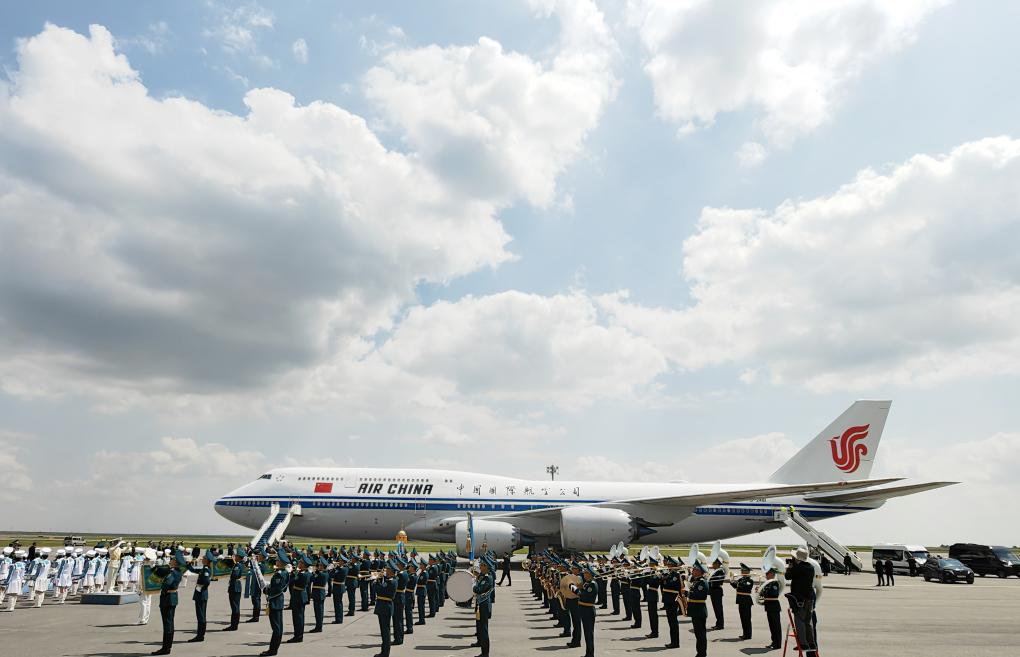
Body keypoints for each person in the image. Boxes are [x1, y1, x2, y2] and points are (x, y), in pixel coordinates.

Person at [150, 550, 185, 655]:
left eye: (173, 559)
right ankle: (167, 647)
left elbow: (167, 584)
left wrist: (159, 583)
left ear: (176, 562)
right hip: (172, 598)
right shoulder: (178, 571)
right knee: (170, 623)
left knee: (167, 624)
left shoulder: (172, 572)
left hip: (167, 599)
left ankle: (166, 648)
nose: (171, 560)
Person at [786, 547, 818, 657]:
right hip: (809, 599)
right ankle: (811, 643)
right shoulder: (811, 567)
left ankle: (803, 644)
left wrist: (790, 567)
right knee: (808, 622)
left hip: (800, 599)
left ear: (797, 558)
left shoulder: (797, 568)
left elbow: (787, 576)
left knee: (799, 621)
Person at [262, 550, 290, 657]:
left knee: (276, 628)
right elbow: (283, 588)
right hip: (278, 600)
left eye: (277, 560)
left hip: (275, 601)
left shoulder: (280, 574)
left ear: (281, 562)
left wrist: (266, 590)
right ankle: (273, 649)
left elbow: (277, 589)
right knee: (278, 627)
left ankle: (273, 650)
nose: (276, 561)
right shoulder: (284, 573)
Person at [185, 550, 213, 643]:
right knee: (201, 615)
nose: (202, 559)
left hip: (201, 595)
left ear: (207, 560)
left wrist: (201, 588)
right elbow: (193, 570)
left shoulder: (206, 570)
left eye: (204, 558)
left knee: (201, 615)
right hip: (201, 595)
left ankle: (200, 636)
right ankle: (200, 635)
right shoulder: (204, 568)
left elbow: (207, 582)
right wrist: (188, 564)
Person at [287, 552, 312, 643]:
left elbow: (292, 581)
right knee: (300, 617)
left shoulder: (302, 574)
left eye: (300, 562)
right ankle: (299, 635)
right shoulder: (305, 573)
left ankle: (298, 636)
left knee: (297, 617)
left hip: (298, 596)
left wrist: (291, 573)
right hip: (301, 596)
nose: (298, 563)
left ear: (303, 565)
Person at [374, 561, 397, 657]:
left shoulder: (392, 582)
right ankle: (384, 652)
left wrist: (376, 581)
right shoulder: (389, 580)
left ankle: (385, 653)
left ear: (391, 571)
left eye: (387, 569)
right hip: (383, 607)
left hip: (385, 608)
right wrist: (380, 578)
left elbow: (379, 590)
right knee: (384, 631)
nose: (385, 571)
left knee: (385, 632)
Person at [574, 564, 598, 657]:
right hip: (584, 610)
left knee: (589, 634)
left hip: (588, 610)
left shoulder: (592, 585)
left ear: (590, 574)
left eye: (585, 573)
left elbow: (583, 595)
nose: (584, 574)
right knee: (587, 633)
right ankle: (588, 653)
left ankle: (590, 654)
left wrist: (575, 588)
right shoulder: (587, 583)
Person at [687, 561, 710, 657]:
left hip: (699, 611)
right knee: (698, 634)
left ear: (699, 571)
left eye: (694, 570)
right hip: (695, 611)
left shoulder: (702, 582)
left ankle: (702, 653)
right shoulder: (696, 581)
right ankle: (699, 652)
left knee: (701, 635)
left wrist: (688, 593)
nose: (692, 571)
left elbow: (700, 595)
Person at [473, 559, 494, 657]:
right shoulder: (482, 577)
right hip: (480, 605)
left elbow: (479, 590)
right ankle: (482, 649)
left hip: (484, 606)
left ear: (486, 567)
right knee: (481, 628)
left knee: (484, 629)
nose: (480, 567)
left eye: (481, 565)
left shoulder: (487, 578)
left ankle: (485, 653)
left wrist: (474, 585)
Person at [661, 557, 682, 649]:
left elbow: (668, 584)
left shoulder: (676, 575)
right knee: (671, 622)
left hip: (672, 601)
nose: (668, 566)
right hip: (668, 600)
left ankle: (675, 642)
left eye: (669, 565)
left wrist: (664, 579)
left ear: (673, 565)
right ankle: (673, 641)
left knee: (673, 622)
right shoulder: (670, 574)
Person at [760, 566, 783, 650]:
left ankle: (777, 643)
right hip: (769, 606)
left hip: (774, 606)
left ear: (772, 574)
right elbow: (764, 594)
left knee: (776, 626)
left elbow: (773, 593)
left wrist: (763, 591)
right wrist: (760, 591)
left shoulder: (774, 583)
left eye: (767, 573)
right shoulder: (768, 583)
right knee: (772, 626)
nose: (766, 575)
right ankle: (774, 642)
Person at [730, 563, 754, 640]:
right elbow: (735, 585)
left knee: (747, 618)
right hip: (740, 600)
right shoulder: (741, 579)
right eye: (741, 570)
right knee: (743, 618)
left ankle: (748, 634)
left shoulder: (750, 580)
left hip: (746, 601)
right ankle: (745, 633)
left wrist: (737, 583)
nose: (741, 572)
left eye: (743, 570)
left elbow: (744, 587)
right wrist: (732, 580)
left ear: (747, 571)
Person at [562, 562, 582, 647]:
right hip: (570, 600)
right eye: (572, 568)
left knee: (576, 622)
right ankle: (574, 640)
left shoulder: (579, 578)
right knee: (574, 622)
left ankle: (576, 641)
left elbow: (576, 590)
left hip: (576, 601)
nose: (572, 570)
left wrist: (569, 584)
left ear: (578, 570)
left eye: (574, 569)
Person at [224, 548, 245, 631]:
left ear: (239, 557)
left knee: (235, 607)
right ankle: (234, 624)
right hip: (235, 587)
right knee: (235, 606)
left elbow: (235, 575)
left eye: (236, 556)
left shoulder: (237, 565)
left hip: (235, 587)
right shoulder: (238, 564)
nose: (234, 557)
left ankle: (234, 625)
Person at [309, 555, 328, 633]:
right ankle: (319, 626)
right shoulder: (324, 573)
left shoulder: (321, 574)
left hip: (318, 594)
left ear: (322, 566)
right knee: (319, 611)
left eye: (320, 565)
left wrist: (312, 572)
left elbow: (312, 579)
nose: (318, 566)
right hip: (320, 593)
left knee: (318, 612)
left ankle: (318, 627)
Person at [644, 558, 661, 639]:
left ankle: (655, 632)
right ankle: (653, 631)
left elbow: (651, 582)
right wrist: (645, 573)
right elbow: (645, 582)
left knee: (653, 615)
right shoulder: (652, 573)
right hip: (650, 594)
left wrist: (648, 574)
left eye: (651, 564)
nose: (649, 565)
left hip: (653, 594)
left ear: (654, 565)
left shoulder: (657, 573)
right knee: (651, 614)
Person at [708, 557, 726, 630]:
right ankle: (718, 623)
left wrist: (709, 578)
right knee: (716, 608)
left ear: (717, 564)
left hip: (717, 591)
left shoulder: (720, 571)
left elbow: (718, 581)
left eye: (714, 563)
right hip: (713, 591)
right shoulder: (716, 571)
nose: (712, 565)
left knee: (718, 609)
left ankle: (720, 625)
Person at [247, 549, 264, 622]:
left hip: (257, 585)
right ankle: (255, 616)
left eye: (254, 556)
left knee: (256, 600)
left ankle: (256, 617)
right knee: (255, 600)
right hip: (254, 584)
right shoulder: (256, 565)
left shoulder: (259, 566)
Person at [331, 553, 348, 624]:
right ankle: (339, 618)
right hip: (339, 587)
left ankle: (339, 619)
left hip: (338, 588)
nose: (339, 562)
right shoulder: (344, 568)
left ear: (343, 562)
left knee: (337, 604)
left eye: (340, 561)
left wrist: (334, 568)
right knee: (338, 604)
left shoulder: (341, 569)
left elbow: (332, 575)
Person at [415, 558, 428, 625]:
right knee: (420, 607)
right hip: (420, 591)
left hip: (421, 591)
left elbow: (418, 581)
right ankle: (421, 619)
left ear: (423, 566)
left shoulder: (424, 574)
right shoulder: (422, 572)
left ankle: (422, 620)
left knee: (421, 607)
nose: (420, 565)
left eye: (421, 564)